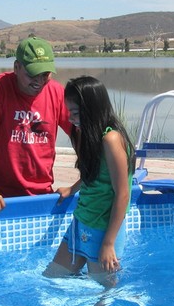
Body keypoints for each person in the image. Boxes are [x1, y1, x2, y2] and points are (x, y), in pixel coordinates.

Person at [43, 76, 135, 286]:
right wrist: (72, 189)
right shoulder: (88, 133)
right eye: (69, 112)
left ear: (92, 109)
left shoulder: (111, 140)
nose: (70, 118)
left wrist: (109, 243)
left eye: (75, 113)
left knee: (103, 292)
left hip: (103, 229)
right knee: (52, 278)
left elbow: (123, 194)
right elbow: (93, 172)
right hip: (83, 219)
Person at [0, 36, 72, 214]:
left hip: (42, 193)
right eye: (32, 74)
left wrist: (80, 184)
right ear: (17, 67)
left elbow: (81, 134)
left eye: (45, 75)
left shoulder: (56, 92)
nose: (39, 81)